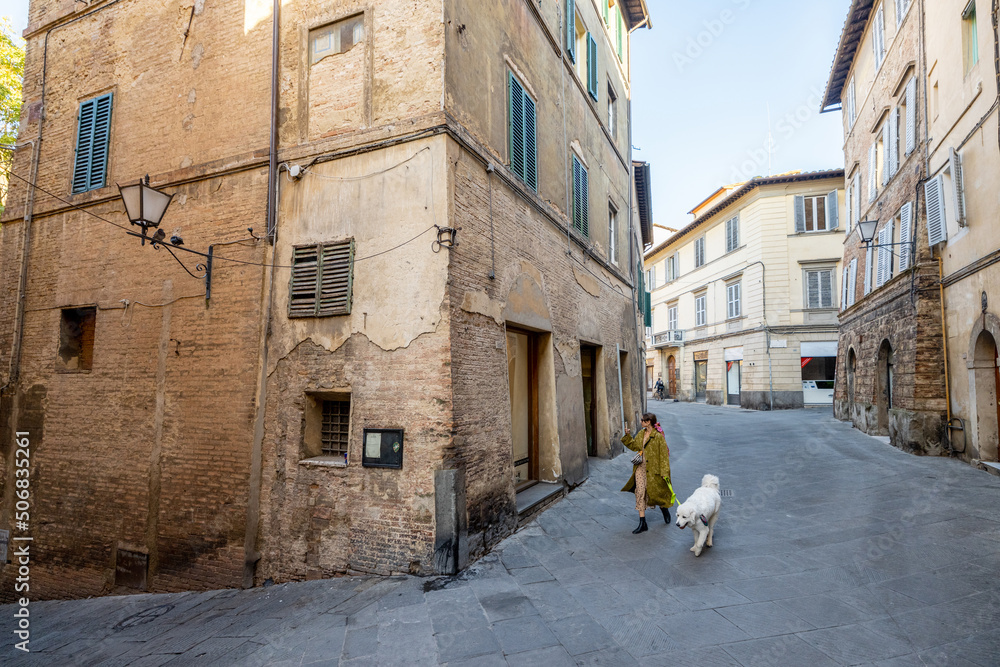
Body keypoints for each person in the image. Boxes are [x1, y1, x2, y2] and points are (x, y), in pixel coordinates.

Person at [621, 413, 676, 534]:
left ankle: (664, 508)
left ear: (648, 422)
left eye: (642, 420)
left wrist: (664, 472)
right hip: (640, 467)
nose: (640, 422)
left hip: (654, 470)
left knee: (656, 493)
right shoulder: (641, 433)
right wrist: (627, 435)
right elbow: (634, 445)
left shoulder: (658, 437)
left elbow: (664, 456)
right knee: (640, 492)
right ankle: (642, 522)